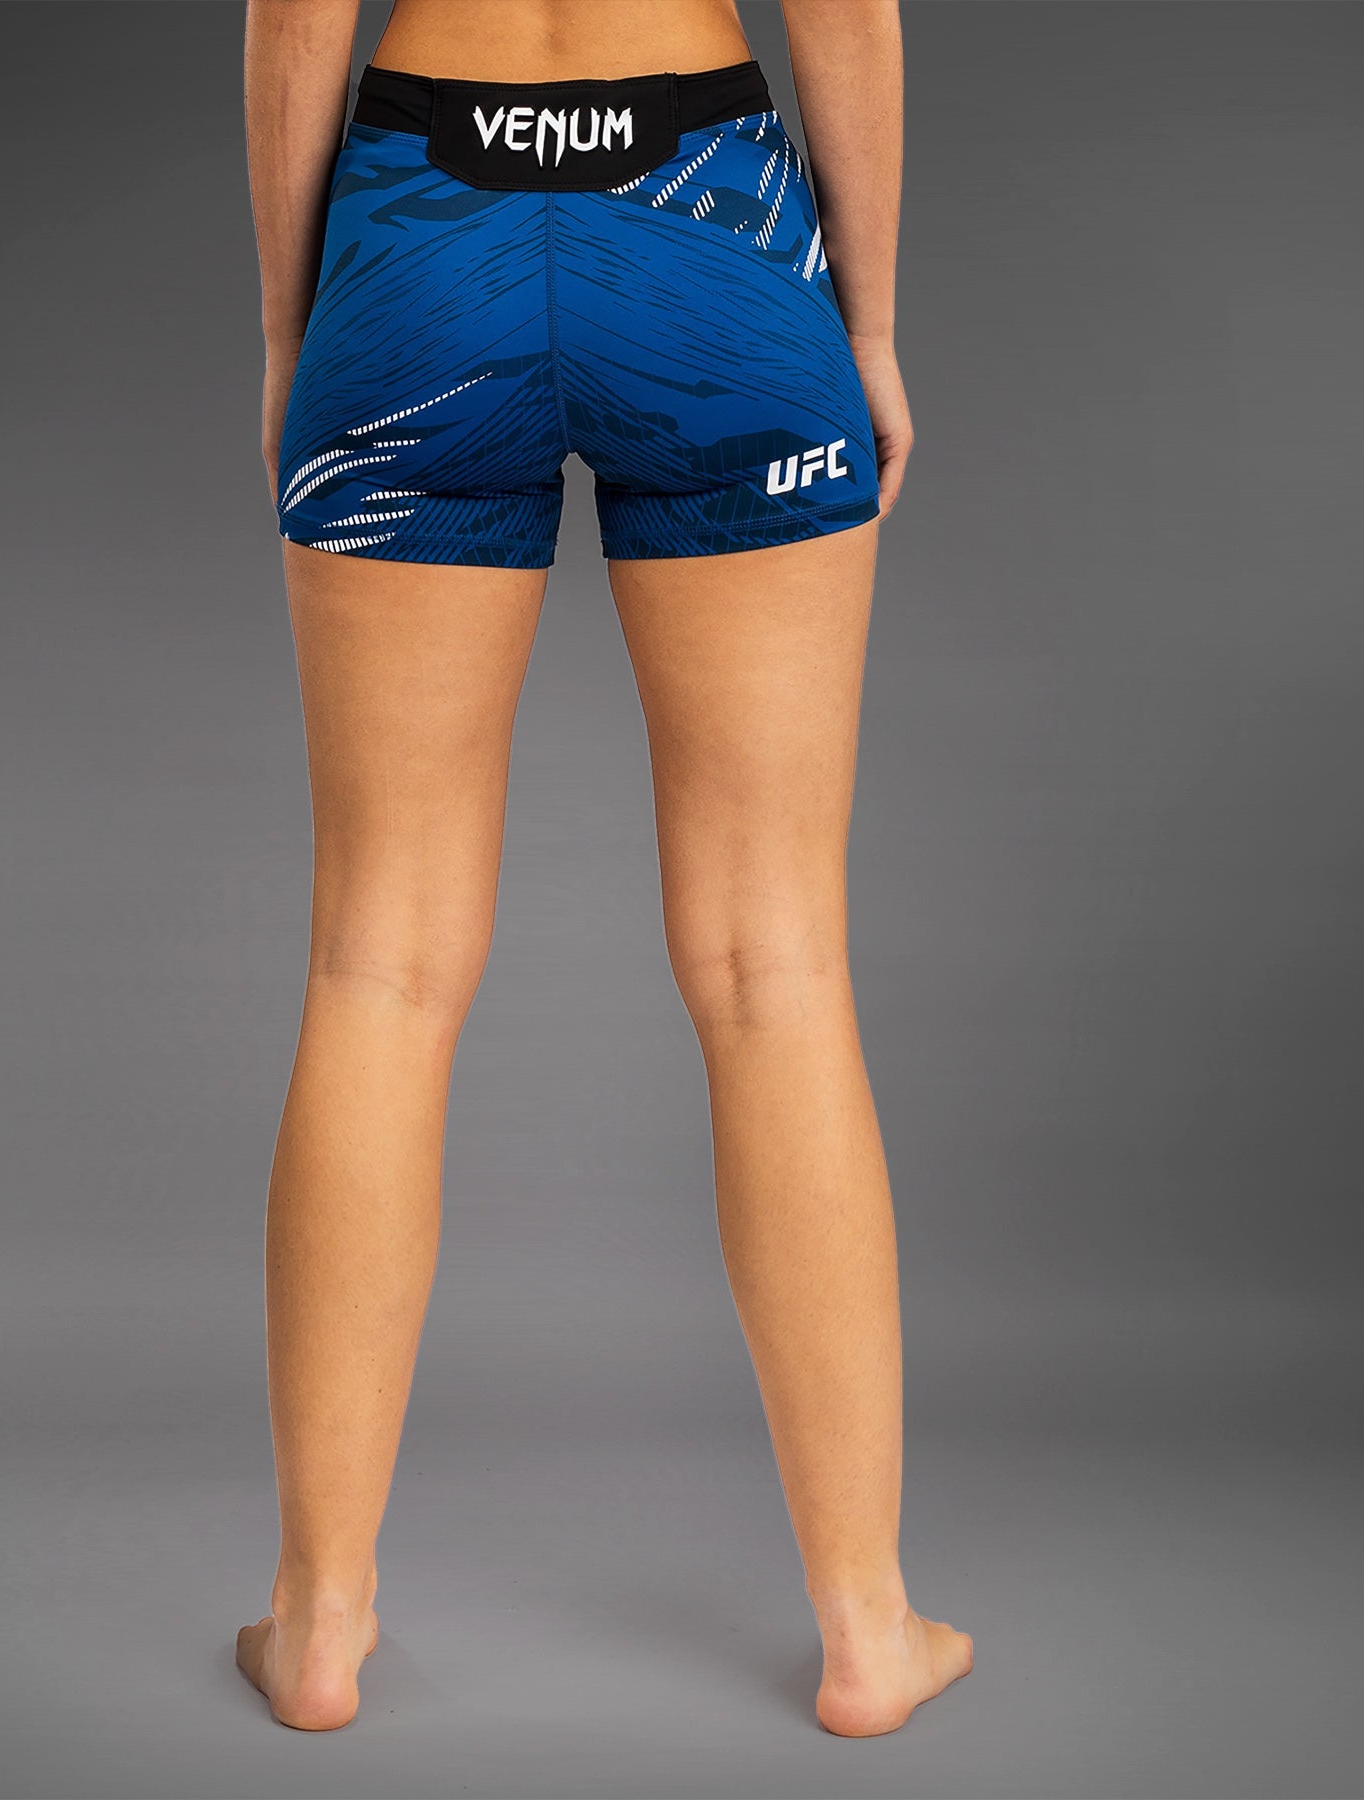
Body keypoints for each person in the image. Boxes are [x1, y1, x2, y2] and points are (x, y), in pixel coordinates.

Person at [236, 0, 971, 1738]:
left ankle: (321, 1620)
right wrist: (868, 322)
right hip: (704, 222)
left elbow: (294, 14)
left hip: (422, 241)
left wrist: (288, 331)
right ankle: (866, 1628)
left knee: (377, 963)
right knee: (774, 963)